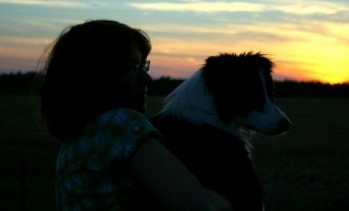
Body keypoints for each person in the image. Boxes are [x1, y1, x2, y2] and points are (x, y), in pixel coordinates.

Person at [38, 19, 232, 210]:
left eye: (143, 66)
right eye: (133, 69)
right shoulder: (119, 125)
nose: (146, 79)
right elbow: (203, 206)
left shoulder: (76, 140)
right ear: (96, 76)